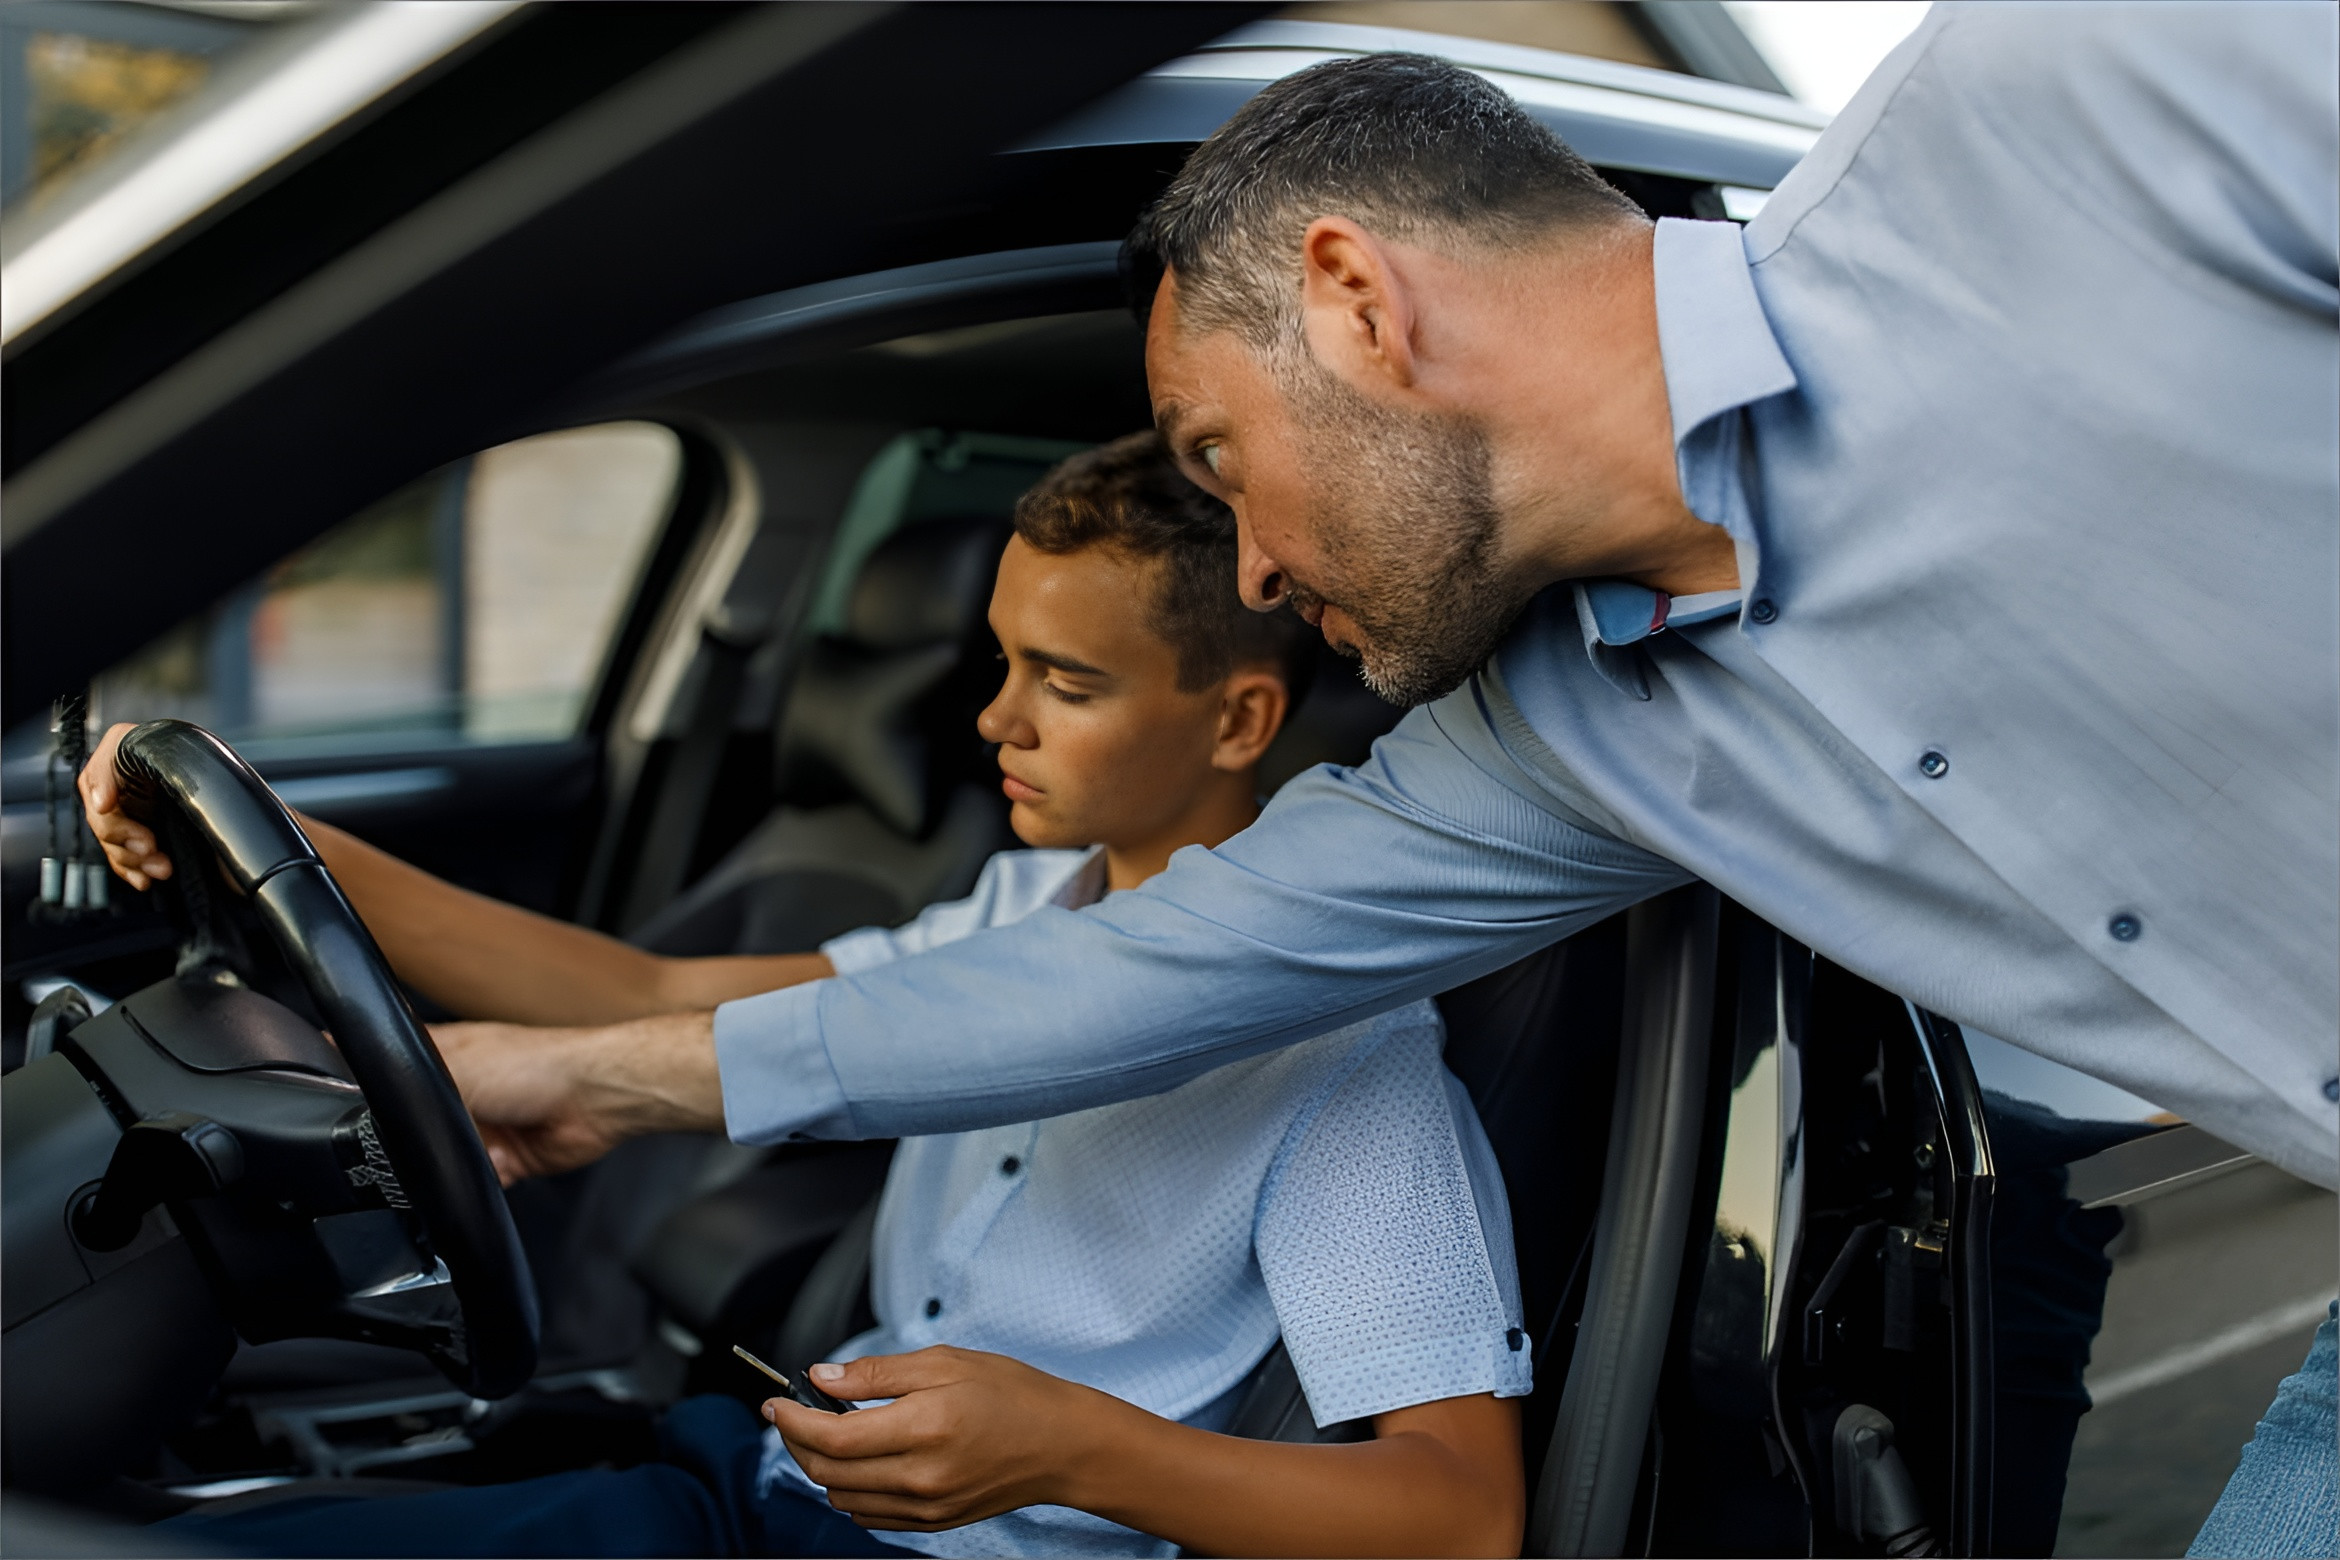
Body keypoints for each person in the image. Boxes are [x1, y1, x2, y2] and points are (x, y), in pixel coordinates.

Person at [91, 6, 2338, 1552]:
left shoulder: (2074, 111)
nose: (1250, 563)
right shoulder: (1573, 750)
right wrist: (606, 1085)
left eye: (1216, 461)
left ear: (1357, 299)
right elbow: (1101, 995)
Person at [148, 434, 1532, 1559]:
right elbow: (648, 992)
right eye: (1001, 662)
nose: (997, 719)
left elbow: (1461, 1515)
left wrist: (1071, 1449)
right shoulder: (1010, 915)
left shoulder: (1348, 1051)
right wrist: (284, 845)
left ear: (1237, 720)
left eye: (1065, 682)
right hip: (754, 1478)